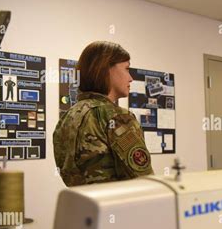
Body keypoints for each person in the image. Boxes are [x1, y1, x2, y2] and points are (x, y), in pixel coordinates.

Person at [53, 41, 154, 186]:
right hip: (118, 206)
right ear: (107, 70)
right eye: (126, 69)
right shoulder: (116, 117)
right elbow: (144, 180)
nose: (131, 78)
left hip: (81, 205)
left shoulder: (68, 117)